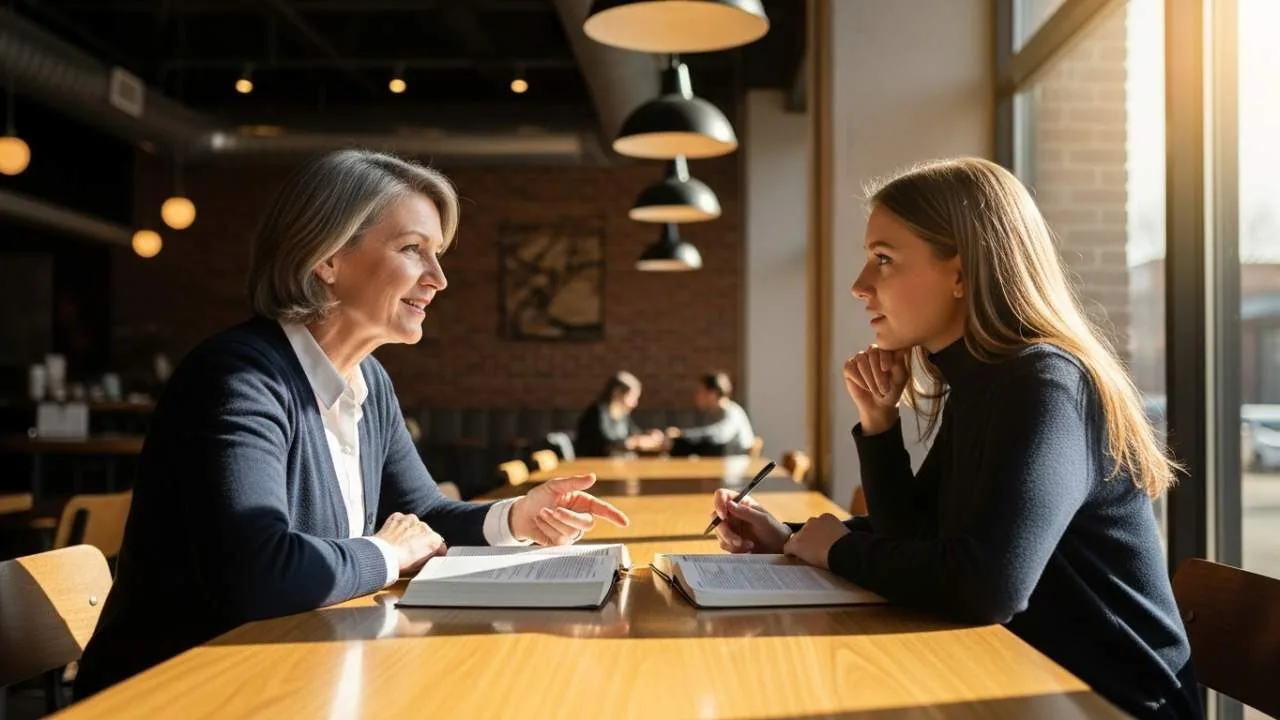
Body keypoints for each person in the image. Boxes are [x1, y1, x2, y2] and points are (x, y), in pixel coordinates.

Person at [75, 150, 630, 698]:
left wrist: (517, 516)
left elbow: (426, 516)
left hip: (298, 674)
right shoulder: (237, 377)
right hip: (182, 694)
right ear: (327, 258)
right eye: (413, 249)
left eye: (436, 253)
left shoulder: (370, 381)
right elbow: (259, 574)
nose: (437, 278)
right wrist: (387, 552)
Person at [708, 158, 1201, 720]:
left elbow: (989, 584)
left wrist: (837, 548)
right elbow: (925, 535)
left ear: (962, 274)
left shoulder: (1044, 384)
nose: (859, 285)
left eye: (883, 260)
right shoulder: (984, 380)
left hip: (1109, 702)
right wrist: (866, 442)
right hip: (1022, 680)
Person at [573, 371, 664, 457]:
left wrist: (649, 435)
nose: (635, 403)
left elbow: (634, 433)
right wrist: (632, 442)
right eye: (632, 397)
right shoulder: (596, 414)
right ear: (617, 393)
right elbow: (603, 444)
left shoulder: (622, 414)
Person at [667, 372, 755, 456]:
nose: (696, 396)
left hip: (737, 466)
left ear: (713, 393)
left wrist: (683, 434)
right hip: (721, 464)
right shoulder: (710, 414)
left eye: (700, 391)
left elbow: (718, 436)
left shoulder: (733, 412)